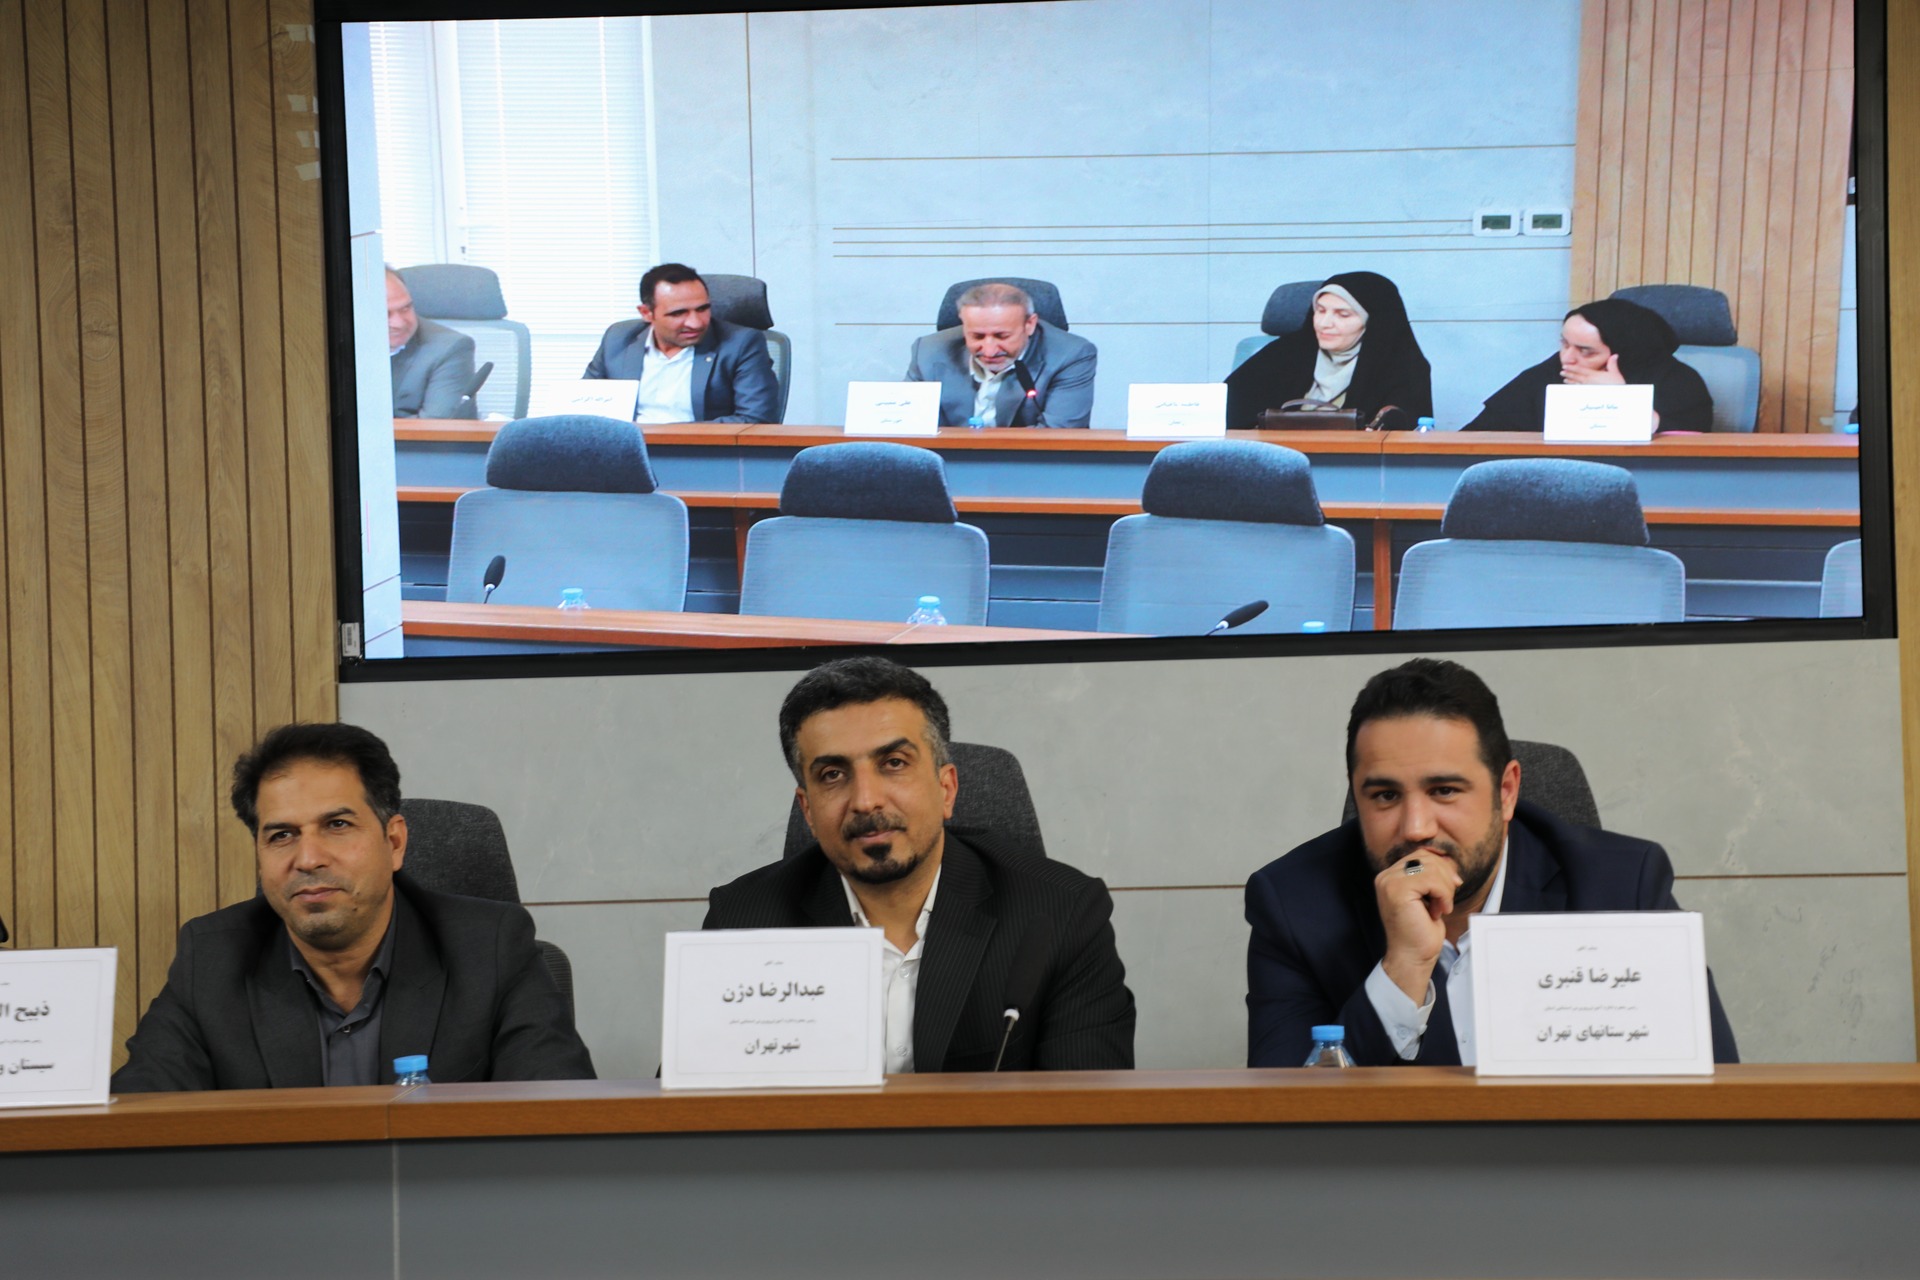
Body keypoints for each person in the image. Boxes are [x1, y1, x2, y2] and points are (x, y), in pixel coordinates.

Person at [1244, 658, 1738, 1068]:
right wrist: (1403, 968)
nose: (1415, 827)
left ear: (1506, 792)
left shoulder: (1622, 885)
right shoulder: (1294, 904)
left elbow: (1717, 1093)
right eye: (1385, 796)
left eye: (1444, 790)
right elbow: (1283, 1119)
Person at [703, 657, 1135, 1072]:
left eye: (893, 764)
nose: (866, 800)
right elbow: (704, 1110)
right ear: (809, 810)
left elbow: (1087, 1112)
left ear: (946, 789)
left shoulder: (1062, 915)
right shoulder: (742, 923)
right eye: (833, 774)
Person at [113, 723, 595, 1091]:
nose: (308, 858)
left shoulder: (490, 948)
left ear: (395, 842)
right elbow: (135, 1120)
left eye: (337, 826)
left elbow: (558, 1118)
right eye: (282, 835)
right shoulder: (212, 959)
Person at [1465, 298, 1714, 432]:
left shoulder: (1678, 382)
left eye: (1586, 351)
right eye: (1564, 344)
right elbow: (1476, 438)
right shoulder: (1551, 372)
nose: (1568, 358)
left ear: (1624, 353)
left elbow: (1690, 453)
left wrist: (1621, 399)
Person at [1225, 271, 1432, 429]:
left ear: (1372, 322)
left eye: (1343, 315)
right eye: (1320, 311)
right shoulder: (1282, 355)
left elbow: (1405, 439)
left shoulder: (1402, 366)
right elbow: (1224, 416)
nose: (1324, 323)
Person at [583, 263, 781, 423]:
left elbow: (756, 420)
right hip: (628, 450)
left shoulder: (741, 344)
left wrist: (667, 435)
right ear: (646, 313)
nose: (695, 323)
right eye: (678, 313)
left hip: (700, 452)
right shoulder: (618, 338)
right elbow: (582, 408)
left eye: (702, 309)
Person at [904, 282, 1098, 428]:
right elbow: (909, 426)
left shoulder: (1070, 354)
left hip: (1030, 465)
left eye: (1002, 336)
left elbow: (1058, 434)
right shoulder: (928, 351)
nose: (989, 351)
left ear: (1029, 325)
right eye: (977, 336)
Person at [388, 268, 478, 420]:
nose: (399, 323)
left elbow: (437, 425)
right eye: (385, 314)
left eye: (405, 308)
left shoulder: (449, 348)